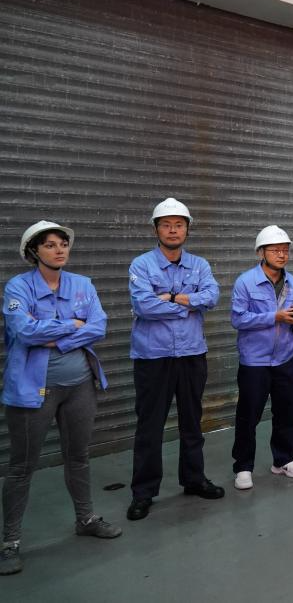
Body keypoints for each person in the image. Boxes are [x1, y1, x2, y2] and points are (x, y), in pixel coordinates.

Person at [1, 222, 121, 576]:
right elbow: (24, 330)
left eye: (63, 244)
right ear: (34, 251)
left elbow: (99, 326)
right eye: (50, 245)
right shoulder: (18, 286)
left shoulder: (82, 284)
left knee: (78, 457)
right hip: (33, 390)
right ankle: (10, 542)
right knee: (22, 467)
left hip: (79, 386)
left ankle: (86, 519)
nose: (59, 250)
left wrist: (56, 336)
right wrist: (74, 326)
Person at [126, 198, 222, 521]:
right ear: (156, 229)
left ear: (187, 230)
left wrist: (170, 297)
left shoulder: (200, 265)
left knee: (192, 422)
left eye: (179, 225)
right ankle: (143, 493)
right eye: (166, 225)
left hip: (192, 354)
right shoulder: (141, 265)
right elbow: (143, 306)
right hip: (153, 357)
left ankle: (194, 479)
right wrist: (188, 305)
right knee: (150, 426)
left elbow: (212, 296)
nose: (172, 230)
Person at [229, 226, 293, 490]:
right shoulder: (245, 282)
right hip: (255, 362)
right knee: (248, 416)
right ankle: (243, 467)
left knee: (288, 412)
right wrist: (274, 317)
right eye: (275, 250)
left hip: (286, 358)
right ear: (261, 252)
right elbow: (238, 319)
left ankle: (283, 460)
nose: (282, 255)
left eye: (285, 250)